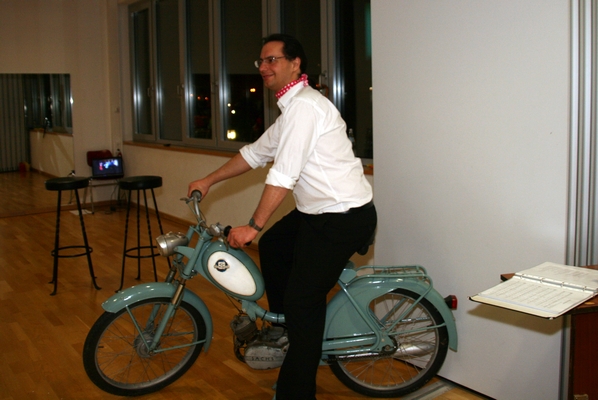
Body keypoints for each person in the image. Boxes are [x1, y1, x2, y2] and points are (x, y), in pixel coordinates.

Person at [188, 33, 377, 400]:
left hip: (342, 217)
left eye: (272, 59)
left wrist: (252, 226)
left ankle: (296, 390)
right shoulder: (292, 110)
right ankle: (286, 332)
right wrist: (208, 180)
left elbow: (283, 175)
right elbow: (254, 154)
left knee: (303, 303)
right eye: (261, 61)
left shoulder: (305, 108)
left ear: (295, 64)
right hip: (317, 213)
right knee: (274, 245)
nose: (263, 67)